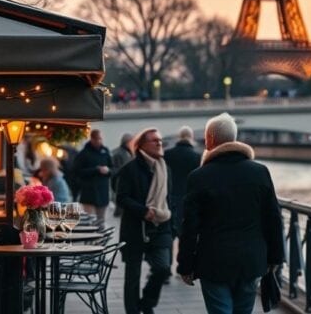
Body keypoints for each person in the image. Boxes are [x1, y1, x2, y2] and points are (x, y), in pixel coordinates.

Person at [177, 114, 283, 314]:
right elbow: (273, 218)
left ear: (209, 140)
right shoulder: (260, 172)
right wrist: (275, 257)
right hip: (251, 260)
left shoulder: (199, 177)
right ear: (235, 138)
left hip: (213, 261)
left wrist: (185, 265)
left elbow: (190, 226)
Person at [117, 128, 173, 314]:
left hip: (161, 226)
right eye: (154, 141)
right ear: (141, 145)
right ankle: (132, 310)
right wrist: (143, 211)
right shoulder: (129, 169)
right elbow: (121, 198)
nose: (159, 143)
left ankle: (147, 303)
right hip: (135, 228)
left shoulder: (165, 168)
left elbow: (169, 198)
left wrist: (173, 224)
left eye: (160, 140)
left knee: (163, 268)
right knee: (132, 276)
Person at [164, 126, 201, 236]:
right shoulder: (197, 157)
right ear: (191, 137)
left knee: (170, 233)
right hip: (189, 198)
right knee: (187, 233)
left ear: (178, 137)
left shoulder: (167, 155)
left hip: (170, 197)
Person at [74, 129, 112, 227]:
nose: (99, 141)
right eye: (96, 139)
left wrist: (108, 171)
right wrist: (96, 170)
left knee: (101, 221)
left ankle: (101, 241)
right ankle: (90, 240)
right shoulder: (84, 153)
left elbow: (113, 168)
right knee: (89, 221)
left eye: (100, 139)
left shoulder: (105, 151)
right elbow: (77, 171)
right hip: (89, 193)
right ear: (91, 139)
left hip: (103, 192)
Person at [111, 132, 134, 217]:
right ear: (127, 142)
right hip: (121, 183)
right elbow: (115, 170)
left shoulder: (130, 152)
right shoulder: (119, 153)